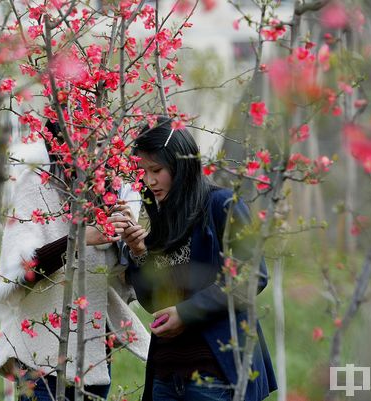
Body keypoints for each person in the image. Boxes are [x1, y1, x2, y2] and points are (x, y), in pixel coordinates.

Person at [109, 117, 277, 401]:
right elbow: (154, 303)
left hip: (214, 376)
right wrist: (139, 252)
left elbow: (252, 275)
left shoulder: (222, 204)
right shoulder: (160, 223)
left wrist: (187, 313)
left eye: (157, 170)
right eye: (144, 172)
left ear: (180, 164)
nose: (149, 181)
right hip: (165, 377)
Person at [0, 120, 150, 401]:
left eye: (102, 143)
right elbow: (18, 273)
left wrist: (132, 245)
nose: (97, 151)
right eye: (89, 140)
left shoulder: (107, 190)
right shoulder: (35, 183)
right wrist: (79, 238)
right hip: (42, 358)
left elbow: (119, 278)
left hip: (94, 355)